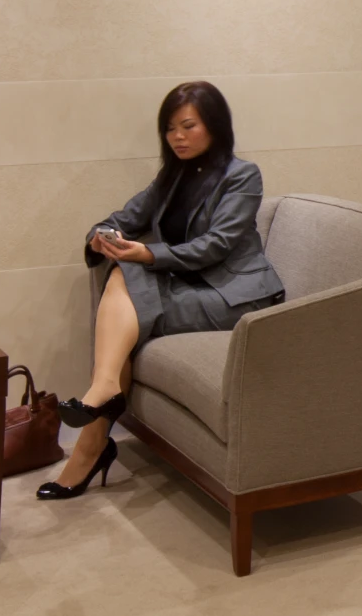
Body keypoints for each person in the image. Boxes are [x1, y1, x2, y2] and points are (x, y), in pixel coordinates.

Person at [38, 81, 285, 500]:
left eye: (188, 126)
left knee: (129, 297)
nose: (177, 138)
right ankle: (102, 400)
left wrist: (147, 255)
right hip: (193, 288)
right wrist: (101, 238)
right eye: (170, 129)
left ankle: (91, 440)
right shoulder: (172, 178)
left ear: (215, 127)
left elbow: (217, 246)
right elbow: (120, 217)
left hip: (238, 296)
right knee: (123, 290)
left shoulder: (242, 176)